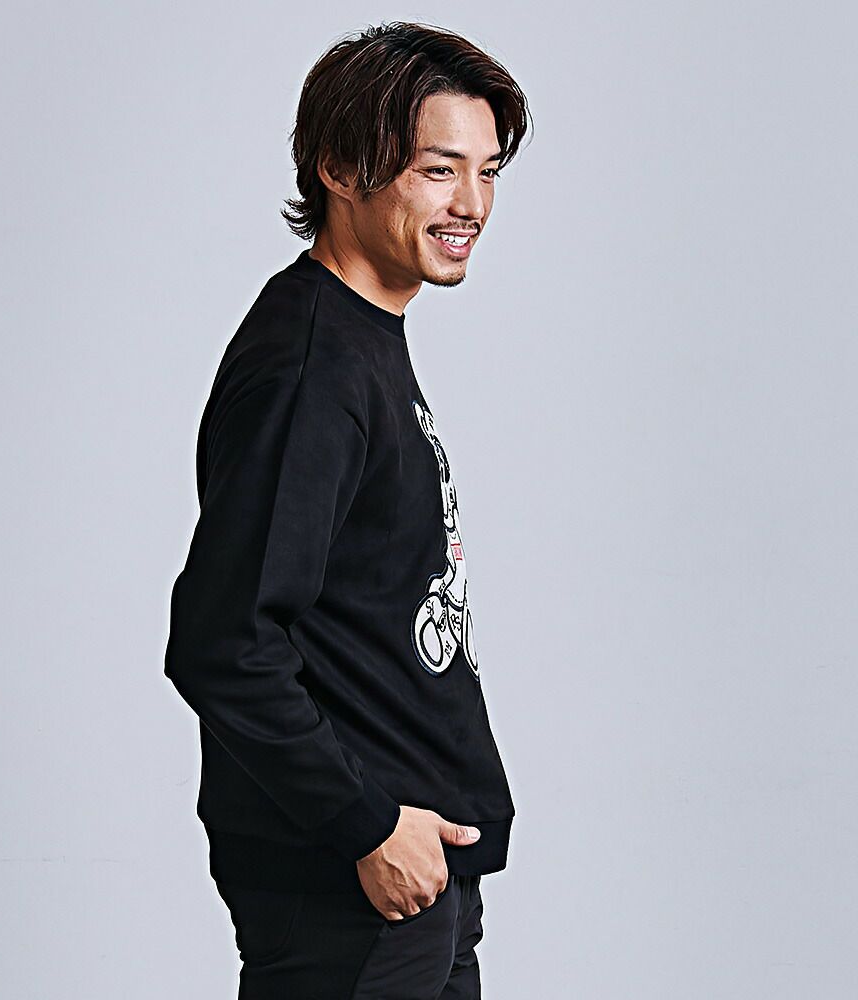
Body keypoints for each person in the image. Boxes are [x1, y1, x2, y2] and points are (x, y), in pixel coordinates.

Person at [164, 20, 531, 1000]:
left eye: (487, 171)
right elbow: (224, 640)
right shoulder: (310, 366)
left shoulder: (364, 336)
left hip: (415, 878)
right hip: (350, 887)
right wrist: (365, 824)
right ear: (339, 168)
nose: (471, 204)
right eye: (438, 170)